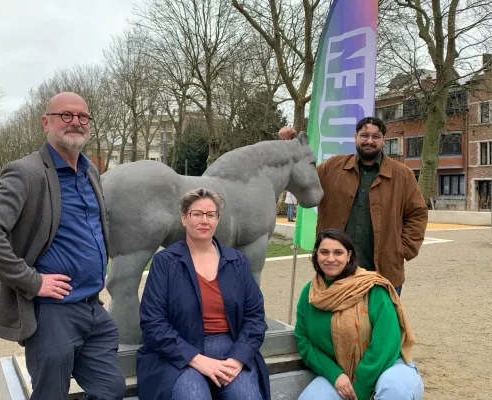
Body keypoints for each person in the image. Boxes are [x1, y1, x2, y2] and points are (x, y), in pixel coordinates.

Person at [0, 92, 126, 400]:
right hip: (53, 313)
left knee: (111, 390)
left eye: (82, 117)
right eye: (66, 115)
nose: (75, 122)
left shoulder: (90, 171)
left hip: (93, 307)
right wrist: (31, 281)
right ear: (45, 122)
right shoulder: (26, 172)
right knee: (51, 394)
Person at [136, 188, 270, 400]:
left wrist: (237, 359)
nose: (204, 220)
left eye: (210, 214)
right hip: (180, 351)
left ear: (218, 219)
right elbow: (153, 323)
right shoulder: (166, 263)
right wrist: (198, 360)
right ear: (184, 218)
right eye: (196, 214)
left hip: (230, 347)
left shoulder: (237, 261)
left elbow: (255, 318)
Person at [278, 117, 428, 295]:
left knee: (381, 322)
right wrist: (291, 146)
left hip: (383, 272)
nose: (369, 141)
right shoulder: (333, 167)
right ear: (355, 136)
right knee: (332, 322)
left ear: (383, 140)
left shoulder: (402, 175)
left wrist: (402, 249)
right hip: (335, 270)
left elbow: (417, 214)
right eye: (364, 135)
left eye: (376, 136)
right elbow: (303, 179)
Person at [295, 228, 424, 400]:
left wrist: (361, 386)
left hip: (387, 366)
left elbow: (386, 342)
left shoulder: (372, 288)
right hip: (340, 371)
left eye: (338, 252)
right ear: (316, 256)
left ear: (348, 256)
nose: (330, 258)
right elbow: (304, 342)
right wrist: (335, 375)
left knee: (395, 392)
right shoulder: (310, 294)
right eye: (324, 252)